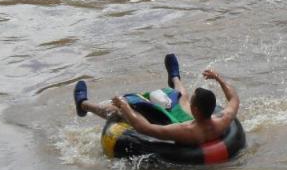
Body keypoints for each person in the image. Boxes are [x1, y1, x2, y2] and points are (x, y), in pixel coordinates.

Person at [73, 54, 241, 148]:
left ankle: (83, 104)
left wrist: (125, 107)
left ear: (197, 110)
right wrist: (218, 79)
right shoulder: (223, 120)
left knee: (117, 112)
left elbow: (144, 128)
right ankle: (175, 77)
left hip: (168, 124)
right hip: (198, 123)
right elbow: (234, 98)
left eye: (194, 105)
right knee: (183, 98)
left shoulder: (186, 131)